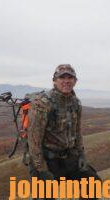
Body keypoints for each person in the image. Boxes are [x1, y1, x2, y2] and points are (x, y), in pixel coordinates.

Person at [27, 64, 101, 199]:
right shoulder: (42, 104)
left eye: (70, 77)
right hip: (45, 160)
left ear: (75, 81)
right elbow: (33, 140)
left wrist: (81, 156)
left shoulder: (76, 103)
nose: (66, 81)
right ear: (54, 80)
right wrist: (42, 170)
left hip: (68, 157)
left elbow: (77, 133)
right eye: (62, 77)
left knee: (93, 184)